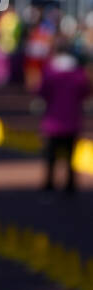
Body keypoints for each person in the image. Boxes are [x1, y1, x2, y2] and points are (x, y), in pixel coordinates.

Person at [35, 43, 91, 194]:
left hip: (53, 120)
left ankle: (49, 183)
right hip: (72, 120)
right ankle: (70, 184)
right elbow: (85, 92)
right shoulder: (78, 74)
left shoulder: (50, 72)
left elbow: (41, 91)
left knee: (51, 155)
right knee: (70, 155)